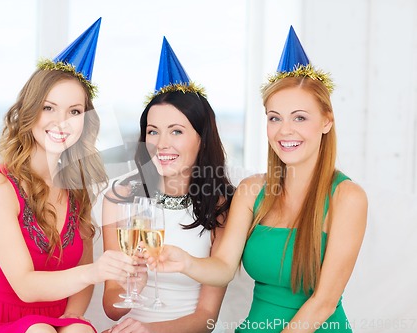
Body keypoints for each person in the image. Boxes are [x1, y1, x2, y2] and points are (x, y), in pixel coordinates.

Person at [149, 26, 368, 332]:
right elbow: (224, 267)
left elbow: (324, 302)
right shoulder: (253, 190)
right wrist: (186, 262)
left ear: (326, 121)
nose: (284, 130)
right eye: (274, 117)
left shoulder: (348, 197)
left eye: (300, 117)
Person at [0, 18, 135, 333]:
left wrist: (71, 319)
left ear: (85, 121)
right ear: (30, 111)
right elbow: (25, 285)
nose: (61, 122)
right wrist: (96, 272)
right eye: (49, 108)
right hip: (0, 324)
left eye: (74, 111)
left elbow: (80, 279)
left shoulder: (76, 190)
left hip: (54, 324)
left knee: (79, 330)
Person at [101, 37, 235, 333]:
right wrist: (131, 284)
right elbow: (111, 307)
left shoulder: (221, 204)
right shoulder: (120, 196)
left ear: (202, 138)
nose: (161, 144)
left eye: (176, 131)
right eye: (153, 131)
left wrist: (150, 332)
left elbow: (207, 318)